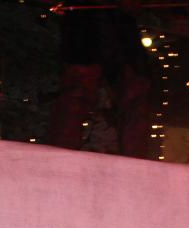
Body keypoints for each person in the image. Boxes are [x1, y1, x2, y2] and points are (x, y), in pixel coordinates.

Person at [47, 0, 152, 158]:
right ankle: (58, 157)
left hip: (114, 23)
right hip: (87, 21)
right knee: (78, 91)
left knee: (134, 95)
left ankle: (136, 162)